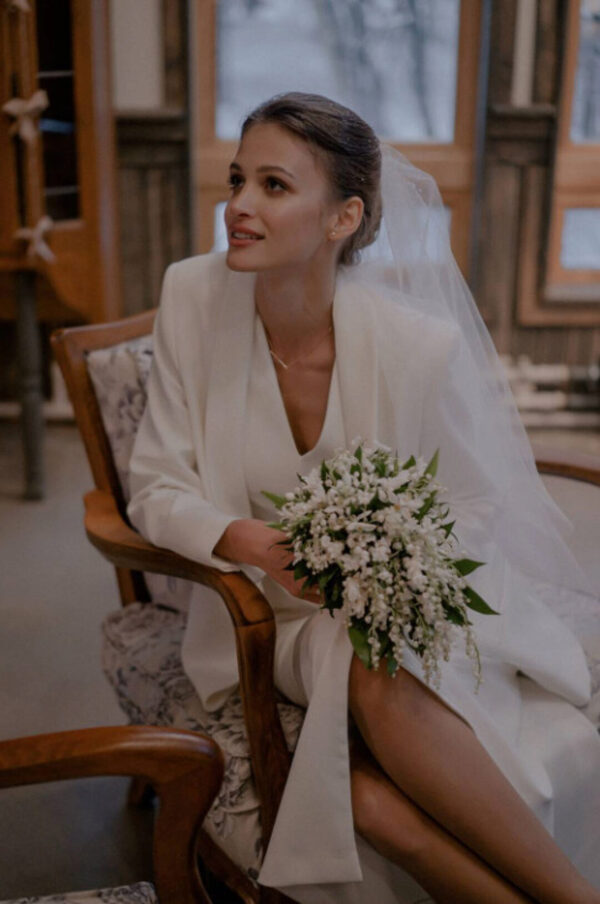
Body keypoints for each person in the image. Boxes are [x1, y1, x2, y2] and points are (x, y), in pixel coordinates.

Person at [127, 93, 600, 904]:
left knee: (371, 800)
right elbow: (154, 486)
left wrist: (393, 571)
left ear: (343, 217)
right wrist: (254, 542)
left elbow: (473, 503)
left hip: (390, 617)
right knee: (366, 687)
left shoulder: (417, 345)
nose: (238, 205)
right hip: (258, 619)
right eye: (238, 179)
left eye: (274, 185)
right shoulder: (191, 296)